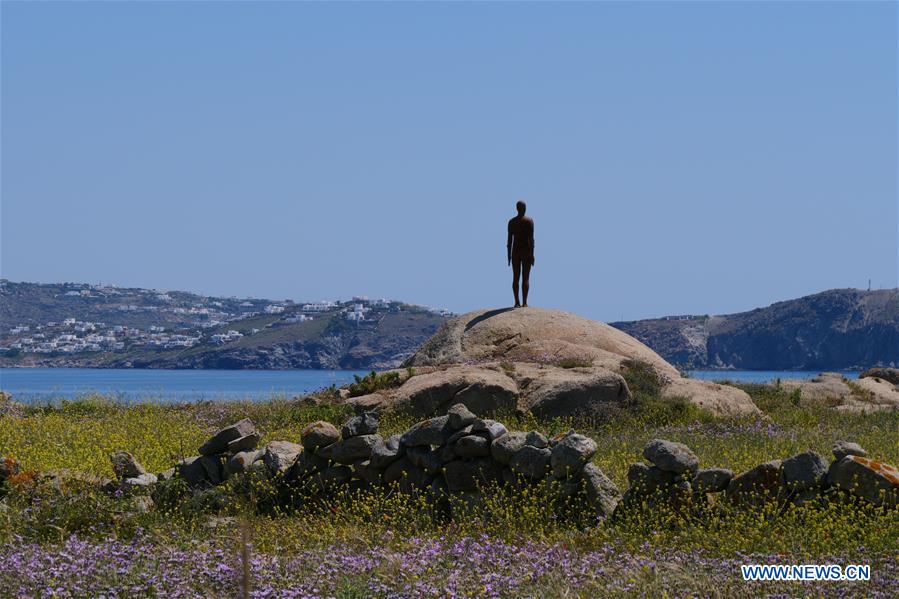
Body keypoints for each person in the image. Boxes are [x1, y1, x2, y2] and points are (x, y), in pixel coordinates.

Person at [507, 200, 535, 308]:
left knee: (516, 277)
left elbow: (509, 241)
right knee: (525, 277)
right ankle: (524, 302)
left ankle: (517, 302)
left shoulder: (512, 222)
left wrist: (508, 255)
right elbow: (531, 239)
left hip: (515, 252)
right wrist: (532, 254)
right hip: (526, 251)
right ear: (523, 209)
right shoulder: (529, 221)